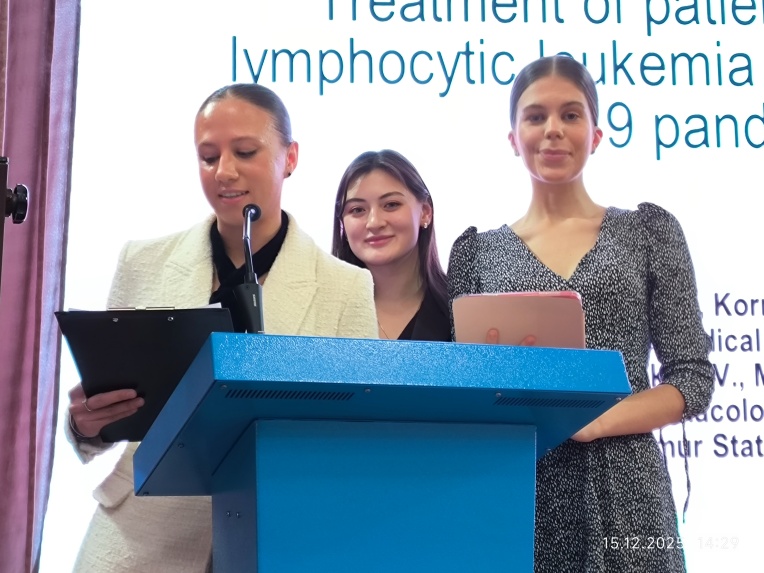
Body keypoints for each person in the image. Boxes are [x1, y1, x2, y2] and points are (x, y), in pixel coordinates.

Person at [65, 83, 377, 573]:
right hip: (141, 538)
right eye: (208, 157)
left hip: (279, 540)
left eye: (245, 152)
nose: (224, 172)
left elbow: (359, 438)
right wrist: (85, 425)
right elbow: (105, 411)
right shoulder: (142, 261)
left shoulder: (346, 287)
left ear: (290, 157)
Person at [447, 55, 714, 572]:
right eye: (535, 116)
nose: (553, 129)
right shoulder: (476, 254)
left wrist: (597, 422)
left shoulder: (647, 233)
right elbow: (468, 390)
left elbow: (692, 379)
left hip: (630, 491)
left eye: (570, 115)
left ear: (595, 134)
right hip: (523, 487)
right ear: (513, 137)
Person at [331, 149, 450, 341]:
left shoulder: (460, 311)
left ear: (425, 212)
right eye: (357, 209)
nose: (374, 223)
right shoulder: (321, 311)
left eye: (391, 205)